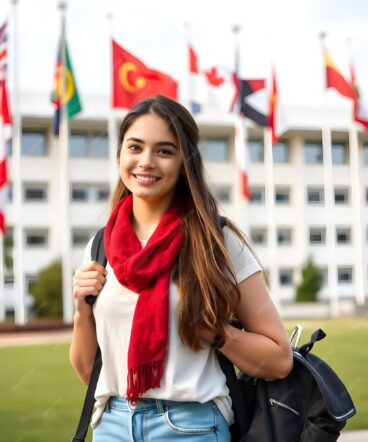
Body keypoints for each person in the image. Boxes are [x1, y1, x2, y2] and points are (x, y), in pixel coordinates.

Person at [70, 95, 293, 442]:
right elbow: (89, 373)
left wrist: (218, 333)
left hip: (191, 427)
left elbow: (279, 358)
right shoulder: (101, 246)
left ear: (185, 161)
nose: (146, 162)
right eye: (135, 147)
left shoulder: (216, 242)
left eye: (164, 151)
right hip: (112, 424)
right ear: (119, 156)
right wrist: (82, 311)